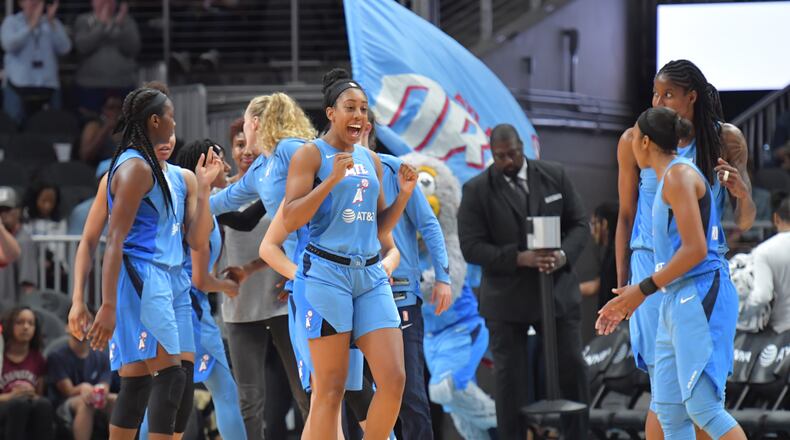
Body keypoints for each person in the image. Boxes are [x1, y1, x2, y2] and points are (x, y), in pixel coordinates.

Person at [614, 59, 755, 440]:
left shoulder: (699, 158)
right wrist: (626, 287)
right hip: (653, 271)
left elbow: (721, 233)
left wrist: (741, 194)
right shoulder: (640, 144)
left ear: (692, 97)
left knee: (702, 404)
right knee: (666, 400)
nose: (658, 101)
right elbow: (625, 218)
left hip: (693, 274)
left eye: (669, 94)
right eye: (655, 93)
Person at [281, 67, 416, 439]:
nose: (359, 116)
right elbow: (291, 218)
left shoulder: (370, 160)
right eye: (350, 108)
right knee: (331, 390)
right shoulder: (310, 155)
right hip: (326, 274)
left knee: (393, 379)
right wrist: (330, 183)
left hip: (370, 275)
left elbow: (379, 228)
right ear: (331, 113)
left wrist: (403, 195)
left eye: (364, 109)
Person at [83, 87, 220, 440]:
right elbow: (111, 241)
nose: (173, 129)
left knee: (165, 379)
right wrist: (108, 304)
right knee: (168, 377)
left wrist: (204, 191)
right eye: (170, 118)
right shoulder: (134, 170)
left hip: (174, 279)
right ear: (154, 121)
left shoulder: (181, 177)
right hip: (142, 277)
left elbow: (196, 240)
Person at [457, 123, 590, 439]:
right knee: (510, 380)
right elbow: (471, 247)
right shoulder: (476, 190)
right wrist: (519, 257)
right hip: (507, 300)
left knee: (573, 367)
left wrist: (561, 255)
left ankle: (578, 435)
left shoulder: (553, 174)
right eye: (500, 156)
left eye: (512, 153)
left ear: (522, 148)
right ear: (492, 154)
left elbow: (580, 225)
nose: (507, 161)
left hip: (556, 292)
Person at [208, 93, 314, 438]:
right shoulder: (263, 167)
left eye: (246, 122)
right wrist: (188, 190)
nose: (244, 145)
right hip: (294, 281)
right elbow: (227, 206)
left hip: (313, 278)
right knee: (314, 386)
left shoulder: (287, 150)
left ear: (256, 124)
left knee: (317, 386)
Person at [138, 139, 246, 440]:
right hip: (191, 309)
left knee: (166, 391)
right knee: (225, 393)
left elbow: (244, 217)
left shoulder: (191, 206)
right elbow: (199, 279)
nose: (226, 167)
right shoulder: (198, 211)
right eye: (219, 160)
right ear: (202, 166)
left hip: (171, 305)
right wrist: (227, 286)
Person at [360, 112, 451, 439]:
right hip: (351, 297)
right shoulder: (330, 168)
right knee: (358, 397)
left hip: (399, 295)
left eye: (361, 119)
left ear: (368, 128)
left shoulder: (396, 169)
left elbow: (429, 224)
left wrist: (443, 277)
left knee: (409, 393)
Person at [0, 0, 71, 124]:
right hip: (18, 88)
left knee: (51, 128)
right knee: (14, 132)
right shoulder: (12, 22)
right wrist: (30, 26)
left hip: (48, 87)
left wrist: (51, 22)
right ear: (21, 3)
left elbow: (65, 48)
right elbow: (9, 45)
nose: (34, 2)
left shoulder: (52, 22)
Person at [73, 0, 140, 117]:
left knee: (124, 129)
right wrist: (102, 26)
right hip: (90, 87)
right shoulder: (83, 20)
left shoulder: (126, 21)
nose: (106, 2)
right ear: (92, 2)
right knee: (92, 128)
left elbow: (132, 48)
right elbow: (83, 47)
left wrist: (120, 26)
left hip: (123, 84)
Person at [48, 328, 116, 440]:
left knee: (115, 400)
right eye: (78, 321)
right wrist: (82, 388)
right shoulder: (56, 356)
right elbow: (67, 391)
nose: (83, 326)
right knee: (86, 404)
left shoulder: (102, 356)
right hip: (65, 403)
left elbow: (105, 384)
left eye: (87, 323)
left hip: (97, 398)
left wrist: (101, 390)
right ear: (67, 327)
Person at [0, 306, 54, 440]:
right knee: (19, 404)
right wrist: (11, 396)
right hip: (5, 406)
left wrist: (32, 395)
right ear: (10, 325)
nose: (26, 327)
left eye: (31, 323)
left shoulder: (38, 359)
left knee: (44, 404)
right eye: (20, 322)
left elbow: (39, 394)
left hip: (29, 404)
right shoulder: (0, 355)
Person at [744, 196, 790, 334]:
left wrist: (742, 311)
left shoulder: (764, 251)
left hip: (782, 332)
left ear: (776, 218)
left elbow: (762, 295)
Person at [0, 187, 37, 304]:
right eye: (0, 210)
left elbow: (28, 286)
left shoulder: (23, 241)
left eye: (7, 209)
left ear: (18, 211)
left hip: (12, 310)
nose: (2, 214)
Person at [580, 202, 619, 309]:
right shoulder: (612, 253)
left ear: (604, 224)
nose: (592, 232)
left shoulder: (615, 255)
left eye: (593, 224)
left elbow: (596, 286)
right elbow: (597, 285)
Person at [79, 96, 122, 168]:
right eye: (111, 107)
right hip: (98, 168)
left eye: (119, 108)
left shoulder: (126, 127)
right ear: (103, 109)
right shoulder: (93, 126)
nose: (115, 111)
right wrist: (106, 129)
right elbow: (85, 156)